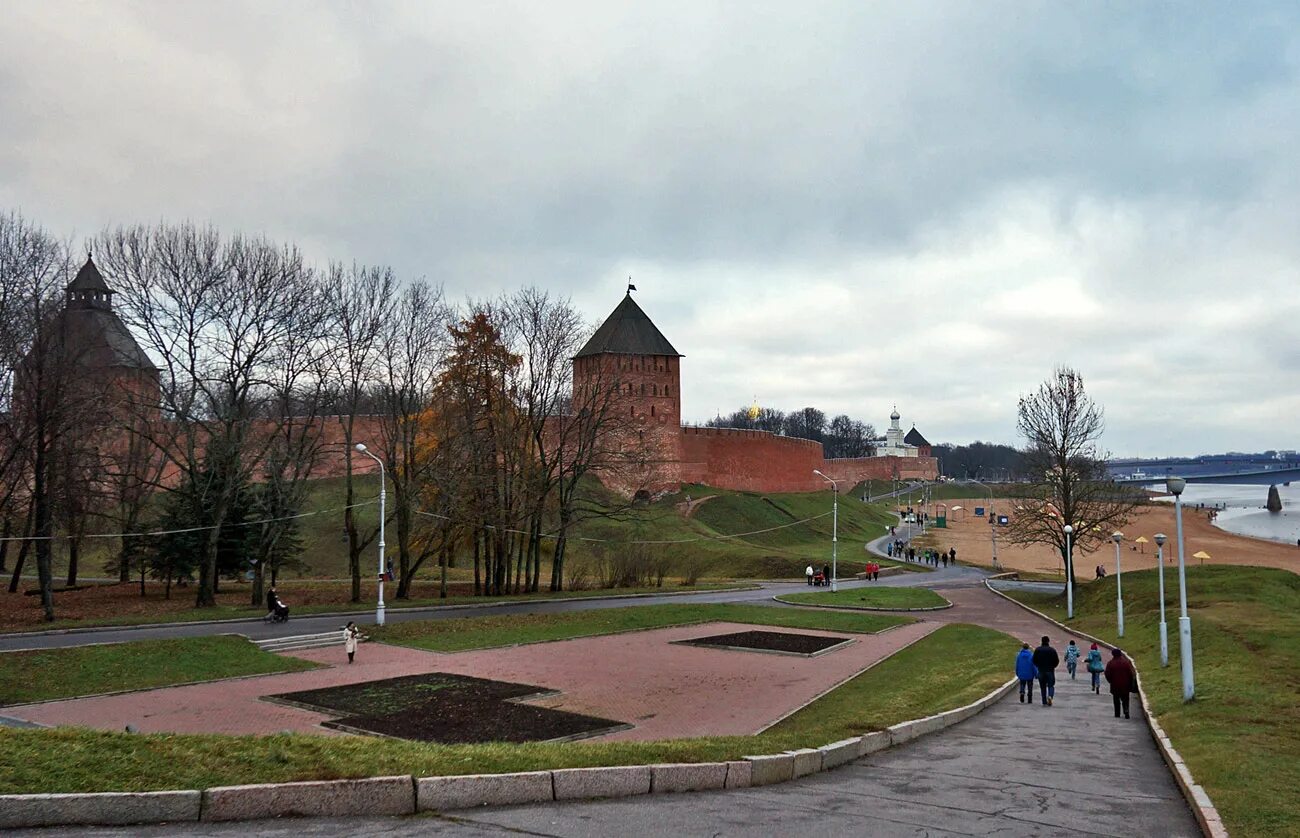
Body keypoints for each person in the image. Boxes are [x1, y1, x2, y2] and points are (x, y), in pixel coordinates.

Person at [1104, 647, 1138, 719]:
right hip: (1125, 684)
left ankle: (1117, 713)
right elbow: (1131, 673)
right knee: (1125, 698)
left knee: (1116, 699)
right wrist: (1130, 682)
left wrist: (1110, 681)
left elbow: (1107, 674)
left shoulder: (1110, 663)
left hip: (1115, 685)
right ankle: (1126, 710)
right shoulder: (1126, 663)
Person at [1032, 635, 1060, 706]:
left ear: (1041, 641)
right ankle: (1050, 696)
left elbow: (1034, 660)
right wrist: (1053, 666)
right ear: (1048, 641)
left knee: (1042, 686)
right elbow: (1056, 660)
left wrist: (1038, 665)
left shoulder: (1038, 650)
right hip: (1050, 670)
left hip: (1041, 670)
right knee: (1051, 685)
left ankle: (1044, 701)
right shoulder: (1052, 650)